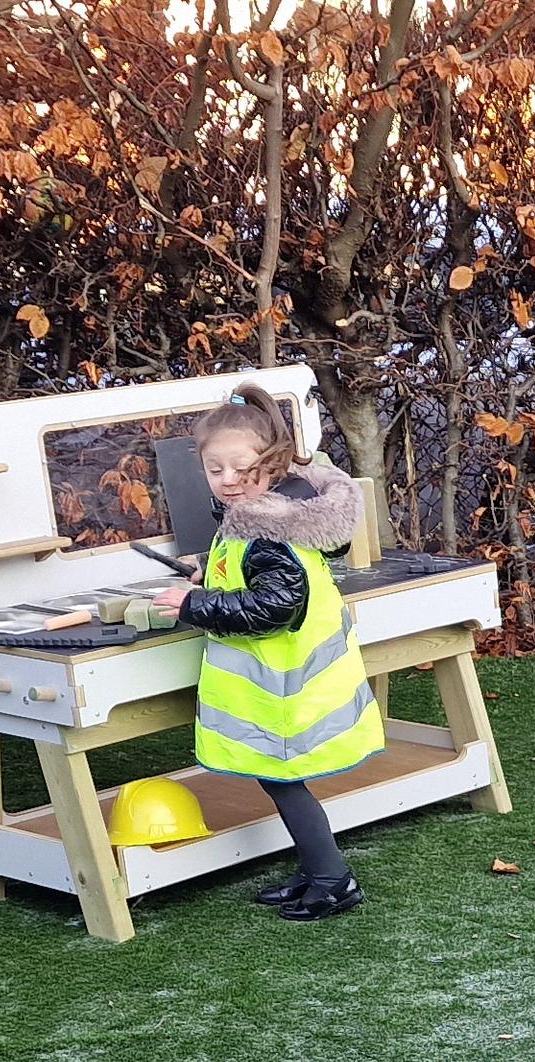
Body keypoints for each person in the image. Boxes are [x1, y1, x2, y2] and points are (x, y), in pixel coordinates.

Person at [156, 384, 377, 922]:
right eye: (215, 469)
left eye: (241, 468)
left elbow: (272, 606)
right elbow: (259, 577)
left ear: (274, 464)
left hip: (284, 686)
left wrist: (195, 603)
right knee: (279, 779)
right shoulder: (271, 513)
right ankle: (315, 868)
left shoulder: (268, 529)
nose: (227, 480)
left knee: (282, 778)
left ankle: (332, 879)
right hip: (284, 682)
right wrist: (211, 573)